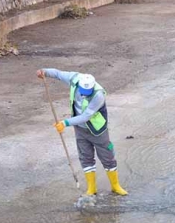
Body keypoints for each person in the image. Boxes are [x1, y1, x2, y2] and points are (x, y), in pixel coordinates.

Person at [37, 68, 128, 196]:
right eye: (83, 92)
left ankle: (115, 186)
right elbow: (57, 74)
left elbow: (86, 116)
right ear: (79, 85)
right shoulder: (75, 78)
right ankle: (92, 189)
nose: (84, 95)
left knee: (108, 157)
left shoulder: (98, 95)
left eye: (87, 92)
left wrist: (64, 123)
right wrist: (44, 72)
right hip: (80, 129)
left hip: (97, 130)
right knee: (85, 157)